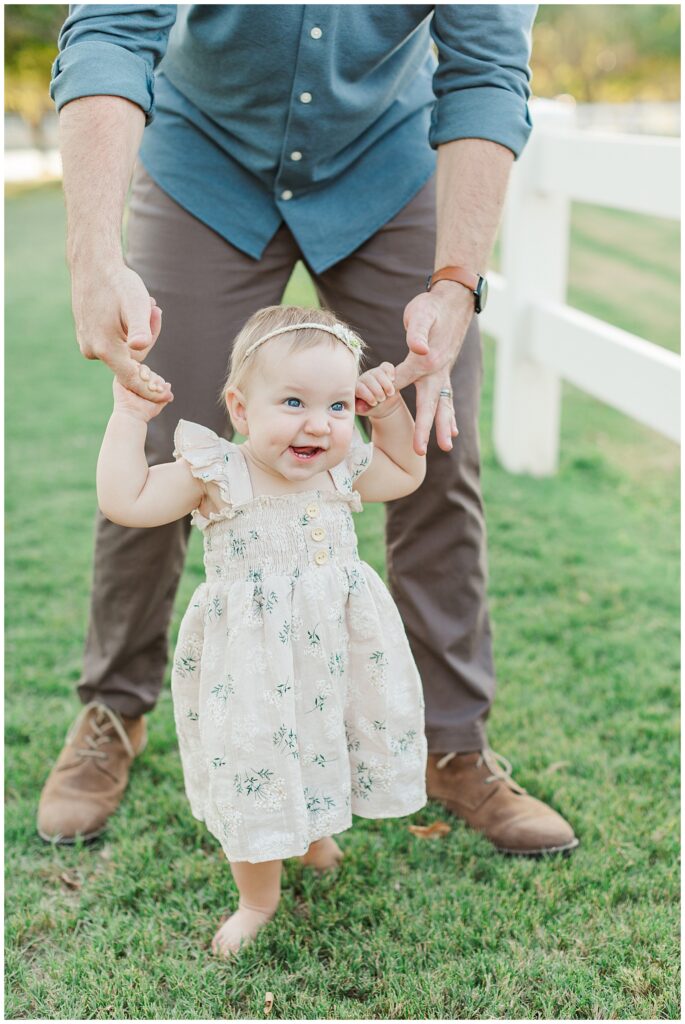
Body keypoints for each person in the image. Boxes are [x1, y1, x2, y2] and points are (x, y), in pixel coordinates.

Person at [39, 5, 578, 857]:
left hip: (387, 167)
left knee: (432, 435)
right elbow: (110, 28)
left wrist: (454, 283)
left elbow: (484, 71)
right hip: (202, 163)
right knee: (161, 424)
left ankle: (453, 743)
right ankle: (114, 709)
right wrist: (93, 251)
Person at [97, 304, 428, 955]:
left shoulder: (340, 469)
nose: (319, 423)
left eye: (338, 405)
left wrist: (388, 411)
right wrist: (129, 418)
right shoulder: (217, 473)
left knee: (321, 738)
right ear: (241, 409)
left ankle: (315, 833)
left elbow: (408, 472)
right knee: (257, 761)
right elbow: (124, 501)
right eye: (294, 402)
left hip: (329, 656)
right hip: (249, 666)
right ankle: (257, 898)